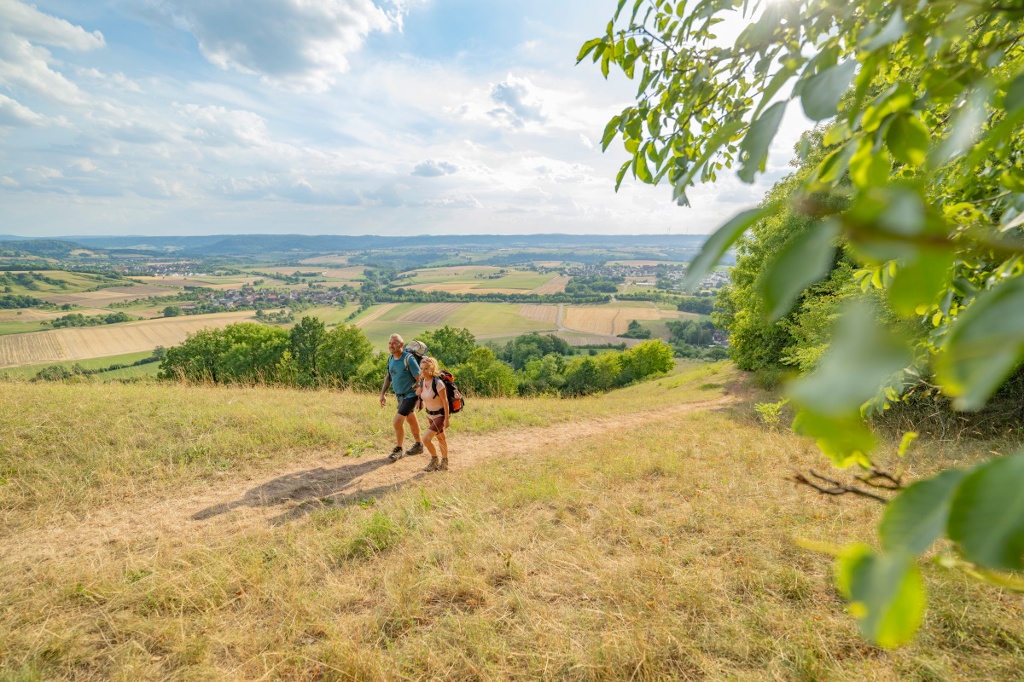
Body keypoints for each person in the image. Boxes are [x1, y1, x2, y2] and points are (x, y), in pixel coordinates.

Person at [379, 334, 423, 461]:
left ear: (401, 345)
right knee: (411, 420)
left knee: (397, 422)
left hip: (411, 395)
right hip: (400, 396)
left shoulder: (408, 359)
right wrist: (383, 394)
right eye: (389, 343)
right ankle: (419, 444)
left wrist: (420, 398)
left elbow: (419, 379)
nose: (391, 345)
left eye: (394, 343)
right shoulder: (391, 359)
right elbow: (389, 377)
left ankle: (398, 449)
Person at [416, 356, 450, 472]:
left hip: (440, 416)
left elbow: (445, 401)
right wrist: (419, 397)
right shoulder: (422, 381)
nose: (423, 371)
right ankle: (444, 463)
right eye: (421, 368)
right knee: (441, 438)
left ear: (432, 369)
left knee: (425, 439)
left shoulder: (438, 384)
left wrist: (446, 419)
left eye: (426, 369)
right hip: (430, 415)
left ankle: (434, 460)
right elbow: (424, 395)